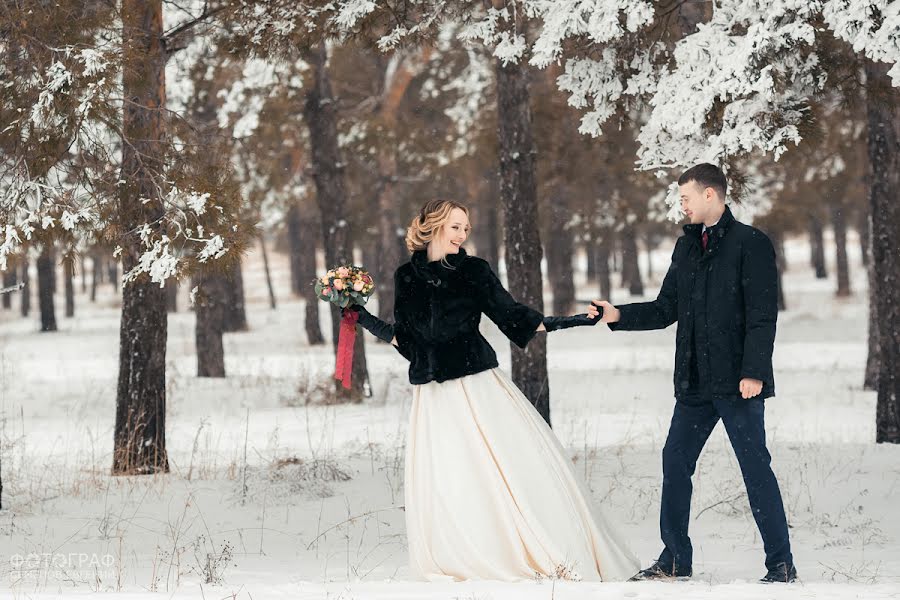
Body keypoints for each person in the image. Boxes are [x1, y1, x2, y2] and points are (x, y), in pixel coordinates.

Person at [350, 199, 639, 582]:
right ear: (434, 226)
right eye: (455, 226)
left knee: (504, 472)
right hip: (433, 396)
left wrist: (574, 321)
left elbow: (513, 317)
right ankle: (463, 554)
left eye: (465, 228)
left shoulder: (474, 271)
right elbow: (408, 340)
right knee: (451, 477)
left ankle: (519, 550)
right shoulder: (406, 276)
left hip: (475, 385)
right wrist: (362, 316)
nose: (462, 234)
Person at [589, 163, 796, 584]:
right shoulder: (685, 248)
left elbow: (762, 316)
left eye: (685, 197)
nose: (680, 204)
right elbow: (666, 309)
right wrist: (617, 315)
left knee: (754, 468)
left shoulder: (750, 244)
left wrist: (754, 371)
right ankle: (675, 559)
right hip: (694, 381)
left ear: (710, 195)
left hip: (739, 383)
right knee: (675, 460)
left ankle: (781, 563)